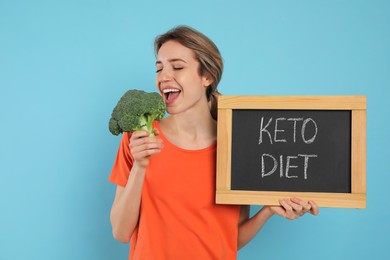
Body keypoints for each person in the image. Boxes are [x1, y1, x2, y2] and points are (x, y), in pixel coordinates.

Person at [109, 25, 319, 259]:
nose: (164, 77)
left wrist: (268, 210)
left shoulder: (238, 145)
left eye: (177, 67)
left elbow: (229, 239)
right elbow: (120, 231)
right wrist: (140, 166)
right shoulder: (139, 139)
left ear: (207, 76)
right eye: (159, 69)